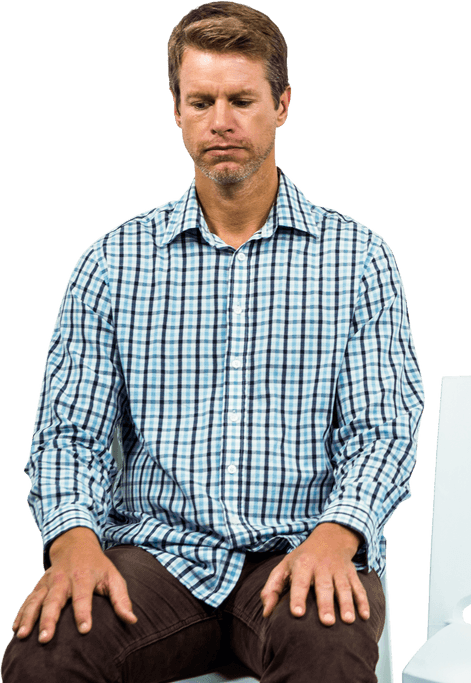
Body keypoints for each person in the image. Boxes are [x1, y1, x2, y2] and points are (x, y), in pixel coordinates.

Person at [2, 2, 425, 682]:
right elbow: (66, 434)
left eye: (241, 99)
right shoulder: (114, 262)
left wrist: (338, 532)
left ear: (282, 104)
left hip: (299, 550)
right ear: (176, 109)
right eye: (201, 101)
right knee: (46, 650)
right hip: (156, 560)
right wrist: (72, 540)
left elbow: (384, 428)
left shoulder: (357, 258)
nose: (221, 121)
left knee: (328, 645)